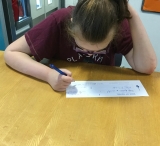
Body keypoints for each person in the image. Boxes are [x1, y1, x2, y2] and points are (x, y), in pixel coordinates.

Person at [4, 0, 157, 92]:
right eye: (83, 47)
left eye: (99, 49)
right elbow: (11, 52)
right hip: (61, 96)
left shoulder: (119, 25)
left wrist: (132, 14)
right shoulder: (59, 20)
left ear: (116, 31)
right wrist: (48, 75)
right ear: (70, 23)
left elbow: (147, 67)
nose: (89, 52)